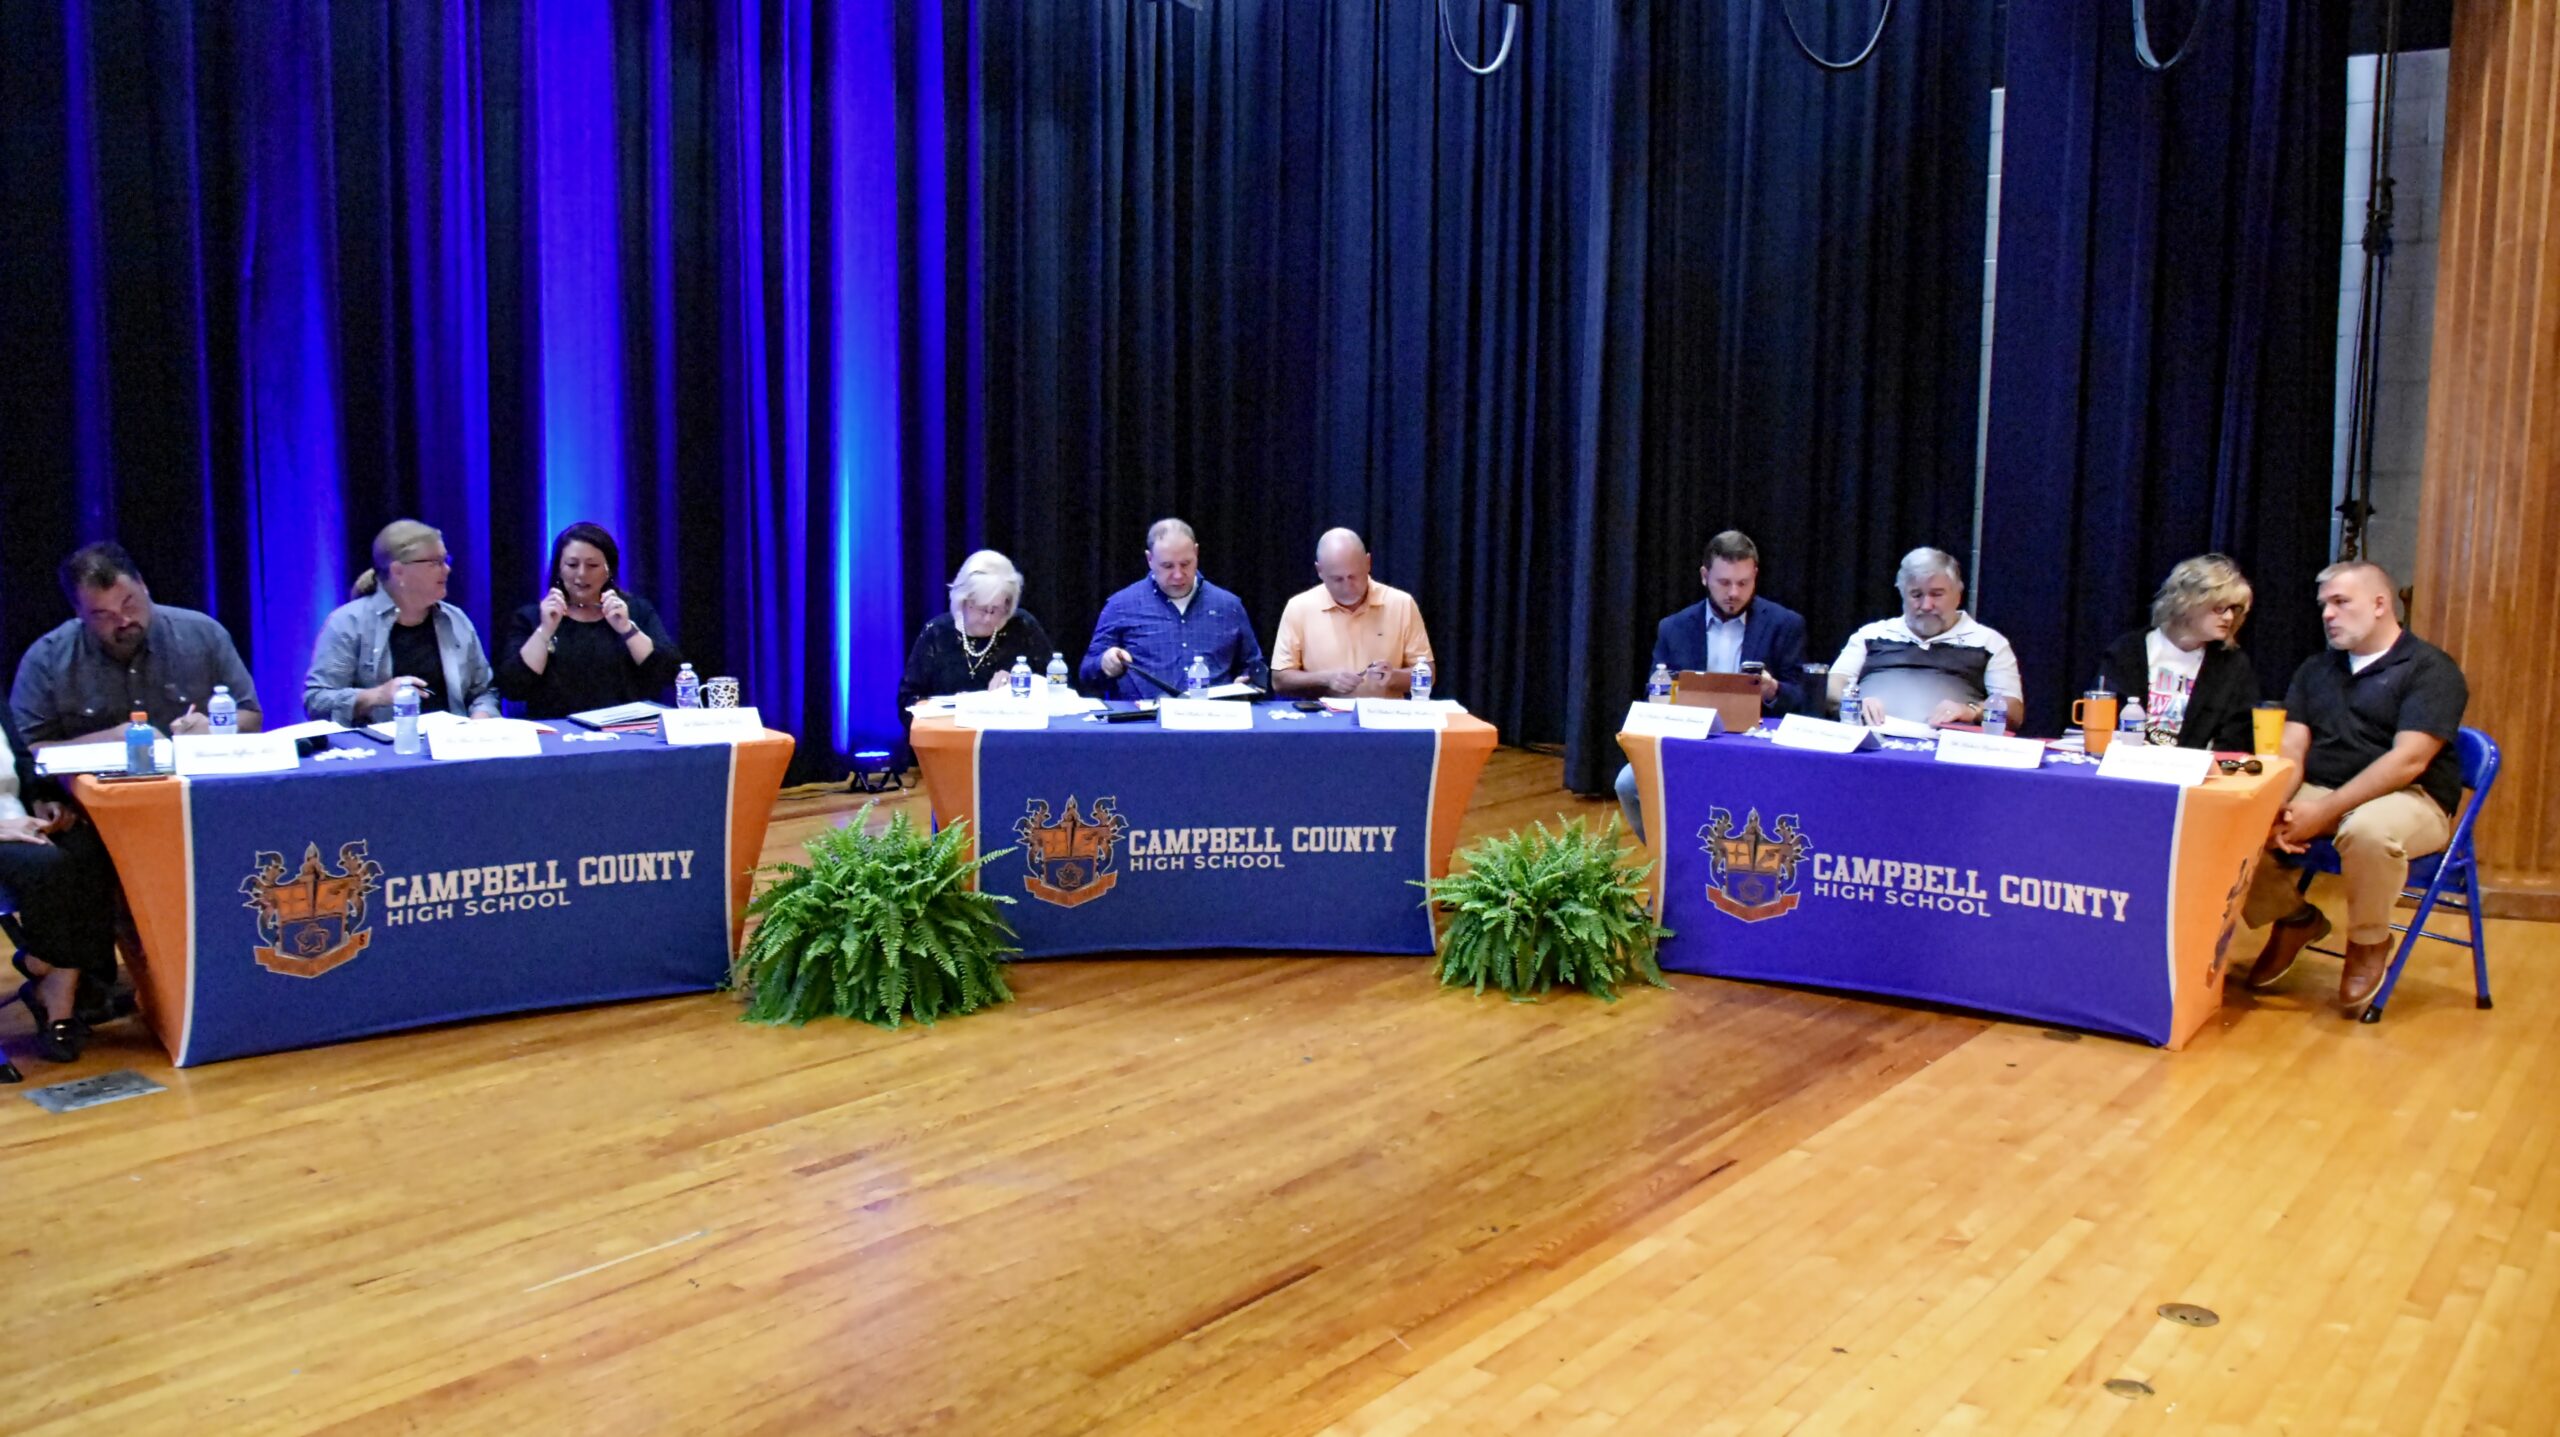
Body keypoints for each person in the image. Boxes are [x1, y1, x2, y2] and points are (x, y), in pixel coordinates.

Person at [2241, 560, 2468, 1013]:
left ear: (2380, 604)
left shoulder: (2431, 669)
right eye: (2324, 604)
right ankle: (2295, 918)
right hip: (2323, 787)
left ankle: (2368, 942)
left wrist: (2322, 814)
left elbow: (2409, 761)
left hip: (2412, 797)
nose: (2328, 614)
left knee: (2367, 831)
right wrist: (2274, 805)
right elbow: (2292, 748)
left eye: (2341, 602)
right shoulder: (2315, 669)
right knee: (2236, 820)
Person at [1613, 530, 1812, 839]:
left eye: (1743, 583)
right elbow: (1654, 695)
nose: (1734, 592)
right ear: (1705, 576)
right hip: (1691, 744)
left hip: (1757, 748)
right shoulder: (1675, 628)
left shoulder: (1784, 625)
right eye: (1724, 582)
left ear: (1755, 576)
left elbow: (1803, 699)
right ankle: (1665, 857)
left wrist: (1772, 689)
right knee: (1627, 784)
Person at [11, 541, 262, 744]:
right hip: (94, 789)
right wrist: (108, 741)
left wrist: (215, 729)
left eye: (128, 602)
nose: (123, 620)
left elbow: (251, 716)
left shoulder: (203, 634)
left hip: (193, 784)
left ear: (143, 585)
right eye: (102, 614)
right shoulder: (47, 658)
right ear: (79, 612)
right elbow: (29, 750)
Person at [0, 702, 125, 1062]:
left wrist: (44, 798)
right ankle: (48, 978)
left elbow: (22, 758)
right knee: (47, 864)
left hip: (19, 820)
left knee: (89, 847)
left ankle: (57, 984)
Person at [303, 520, 500, 725]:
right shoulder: (348, 623)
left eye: (446, 560)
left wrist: (481, 719)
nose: (447, 569)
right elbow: (316, 701)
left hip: (452, 740)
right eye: (435, 562)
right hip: (379, 743)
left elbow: (484, 692)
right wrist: (376, 696)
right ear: (398, 571)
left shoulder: (455, 619)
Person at [494, 522, 685, 719]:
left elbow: (670, 673)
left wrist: (627, 629)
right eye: (572, 565)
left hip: (627, 729)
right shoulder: (531, 617)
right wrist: (545, 630)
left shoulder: (636, 611)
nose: (581, 574)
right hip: (556, 730)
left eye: (592, 565)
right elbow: (512, 687)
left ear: (609, 570)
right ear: (559, 569)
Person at [1826, 547, 2025, 728]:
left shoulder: (1989, 642)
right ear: (1902, 594)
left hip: (1947, 748)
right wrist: (1855, 700)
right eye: (1916, 595)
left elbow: (2014, 711)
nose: (1926, 605)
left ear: (1958, 595)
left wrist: (1971, 710)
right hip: (1870, 741)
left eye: (1937, 594)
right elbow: (1832, 686)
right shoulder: (1871, 634)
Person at [1080, 518, 1265, 701]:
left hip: (1213, 715)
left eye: (1185, 564)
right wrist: (1104, 663)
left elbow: (1255, 668)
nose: (1178, 575)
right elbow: (1086, 674)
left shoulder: (1228, 606)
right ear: (1149, 559)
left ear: (1196, 553)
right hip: (1146, 717)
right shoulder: (1121, 605)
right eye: (1167, 566)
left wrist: (1248, 683)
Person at [2097, 554, 2260, 751]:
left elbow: (2235, 739)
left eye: (2234, 609)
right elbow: (2105, 722)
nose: (2229, 617)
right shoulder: (2127, 652)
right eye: (2219, 608)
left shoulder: (2233, 666)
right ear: (2186, 604)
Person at [1270, 529, 1434, 699]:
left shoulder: (1401, 604)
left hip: (1384, 714)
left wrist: (1393, 677)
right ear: (1319, 571)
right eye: (1337, 579)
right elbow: (1279, 680)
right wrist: (1325, 679)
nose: (1347, 587)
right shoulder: (1299, 607)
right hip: (1322, 713)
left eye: (1354, 576)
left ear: (1368, 563)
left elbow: (1428, 674)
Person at [898, 551, 1057, 719]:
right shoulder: (937, 633)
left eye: (995, 609)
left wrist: (1022, 684)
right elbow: (907, 701)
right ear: (963, 600)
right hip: (949, 731)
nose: (988, 618)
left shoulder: (1023, 627)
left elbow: (1056, 689)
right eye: (982, 608)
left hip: (1009, 731)